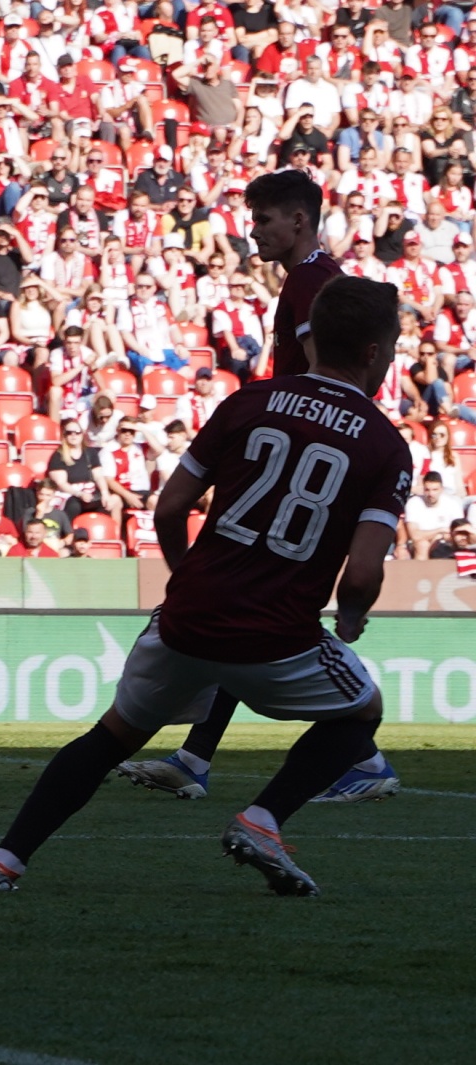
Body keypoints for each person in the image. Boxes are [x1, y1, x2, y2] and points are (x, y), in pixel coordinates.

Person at [0, 277, 410, 897]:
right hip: (276, 635)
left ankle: (4, 861)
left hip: (187, 618)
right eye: (391, 347)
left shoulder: (247, 402)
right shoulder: (385, 444)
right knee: (364, 710)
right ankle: (263, 820)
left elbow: (170, 508)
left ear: (312, 340)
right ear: (372, 351)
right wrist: (351, 620)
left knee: (110, 737)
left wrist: (189, 577)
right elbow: (362, 573)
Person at [119, 172, 397, 804]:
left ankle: (362, 754)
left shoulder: (309, 283)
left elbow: (324, 374)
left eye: (266, 218)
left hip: (301, 449)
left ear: (298, 220)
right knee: (247, 610)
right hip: (306, 445)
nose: (254, 230)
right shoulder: (316, 279)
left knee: (251, 602)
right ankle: (195, 756)